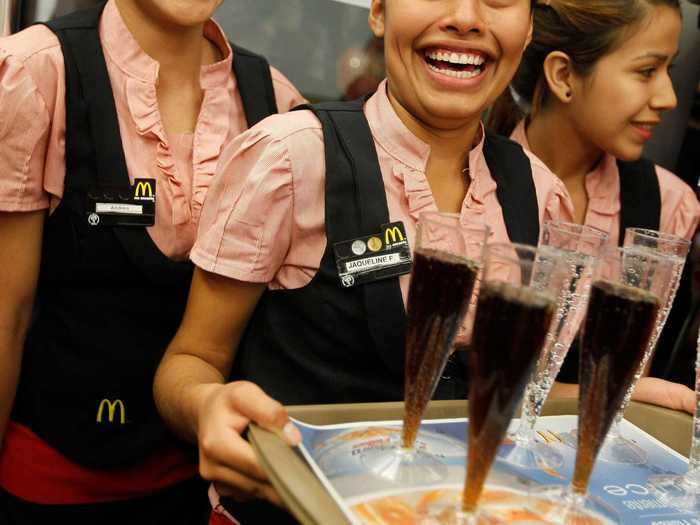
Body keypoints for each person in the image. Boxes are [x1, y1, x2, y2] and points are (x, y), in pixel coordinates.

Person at [153, 0, 575, 522]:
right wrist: (206, 407)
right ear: (378, 12)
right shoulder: (292, 155)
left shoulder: (540, 193)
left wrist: (624, 397)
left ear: (529, 26)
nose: (466, 17)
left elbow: (509, 393)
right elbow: (189, 361)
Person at [0, 0, 305, 523]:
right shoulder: (35, 73)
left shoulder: (274, 100)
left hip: (202, 486)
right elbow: (7, 315)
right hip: (53, 481)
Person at [488, 0, 700, 412]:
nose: (669, 98)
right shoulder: (473, 180)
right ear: (564, 75)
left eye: (668, 71)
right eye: (646, 71)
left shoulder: (669, 208)